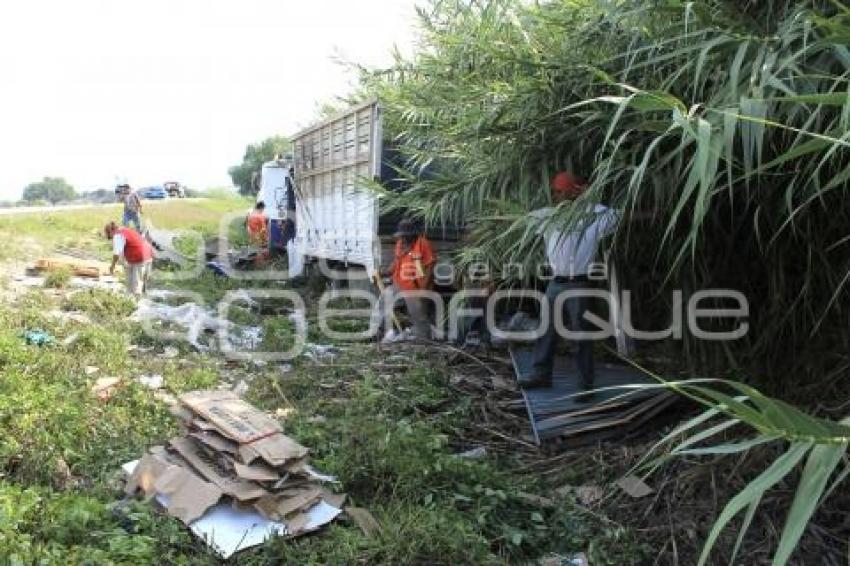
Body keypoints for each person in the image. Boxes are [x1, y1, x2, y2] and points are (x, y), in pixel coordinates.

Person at [523, 171, 621, 401]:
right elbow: (519, 219)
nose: (557, 196)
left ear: (575, 190)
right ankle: (541, 375)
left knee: (580, 335)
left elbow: (624, 215)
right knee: (546, 331)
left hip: (580, 283)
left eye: (561, 191)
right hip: (555, 283)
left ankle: (586, 385)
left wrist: (588, 196)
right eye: (555, 191)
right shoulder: (548, 216)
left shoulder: (595, 215)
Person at [386, 218, 436, 339]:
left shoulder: (423, 244)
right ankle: (380, 332)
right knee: (383, 303)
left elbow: (430, 266)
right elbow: (396, 261)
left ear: (412, 235)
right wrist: (386, 272)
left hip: (415, 287)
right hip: (399, 282)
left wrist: (423, 289)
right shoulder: (400, 244)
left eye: (405, 236)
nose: (402, 239)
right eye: (401, 236)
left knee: (418, 315)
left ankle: (424, 340)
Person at [105, 221, 154, 299]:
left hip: (141, 256)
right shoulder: (124, 230)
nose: (110, 237)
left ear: (110, 231)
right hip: (146, 253)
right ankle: (134, 299)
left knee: (136, 284)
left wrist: (112, 267)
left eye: (108, 234)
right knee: (134, 283)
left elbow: (116, 254)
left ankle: (138, 306)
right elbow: (125, 250)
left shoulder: (117, 236)